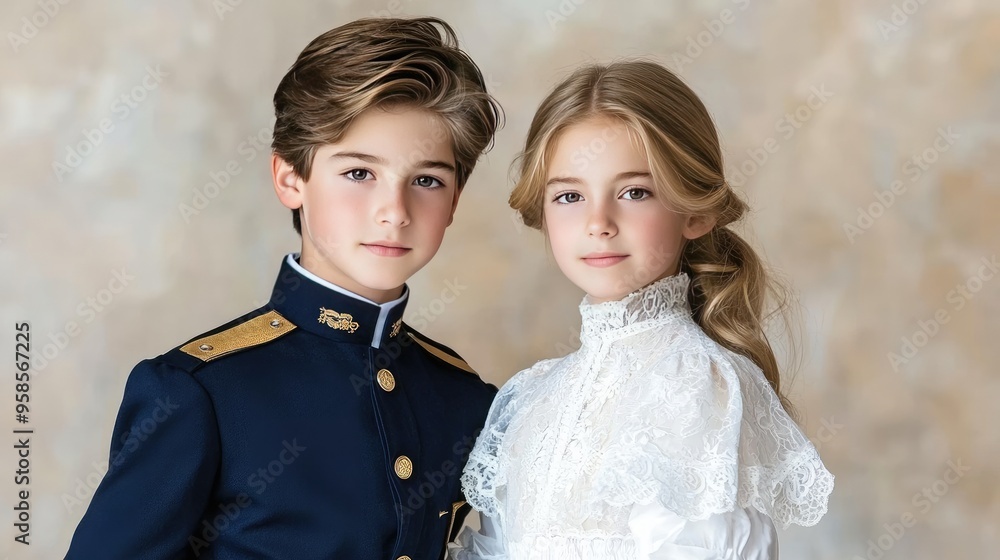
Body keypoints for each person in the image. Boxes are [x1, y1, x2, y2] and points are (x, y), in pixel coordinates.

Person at [66, 17, 501, 559]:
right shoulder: (199, 391)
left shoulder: (465, 396)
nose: (395, 212)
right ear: (290, 179)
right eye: (359, 174)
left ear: (454, 201)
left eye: (427, 181)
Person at [450, 61, 834, 559]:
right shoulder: (530, 398)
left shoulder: (700, 384)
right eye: (569, 195)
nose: (598, 222)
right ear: (541, 211)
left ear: (694, 209)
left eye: (634, 192)